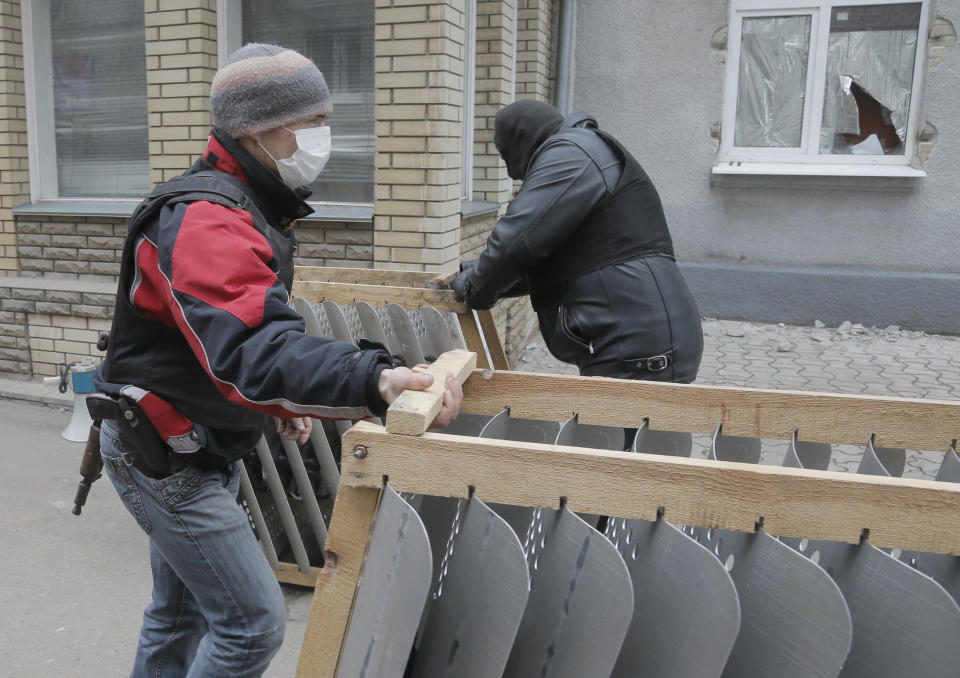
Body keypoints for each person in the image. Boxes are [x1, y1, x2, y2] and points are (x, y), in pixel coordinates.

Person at [92, 43, 462, 677]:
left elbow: (216, 341)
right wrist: (373, 379)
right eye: (314, 122)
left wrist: (275, 410)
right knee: (250, 626)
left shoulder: (245, 203)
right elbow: (253, 350)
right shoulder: (207, 219)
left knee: (179, 615)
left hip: (195, 438)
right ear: (261, 129)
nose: (323, 138)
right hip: (163, 451)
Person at [453, 100, 703, 384]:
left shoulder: (571, 154)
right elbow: (547, 264)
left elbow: (516, 241)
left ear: (522, 140)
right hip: (639, 339)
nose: (512, 174)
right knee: (642, 429)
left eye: (504, 154)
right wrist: (471, 274)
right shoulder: (583, 152)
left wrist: (475, 288)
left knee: (618, 427)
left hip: (635, 344)